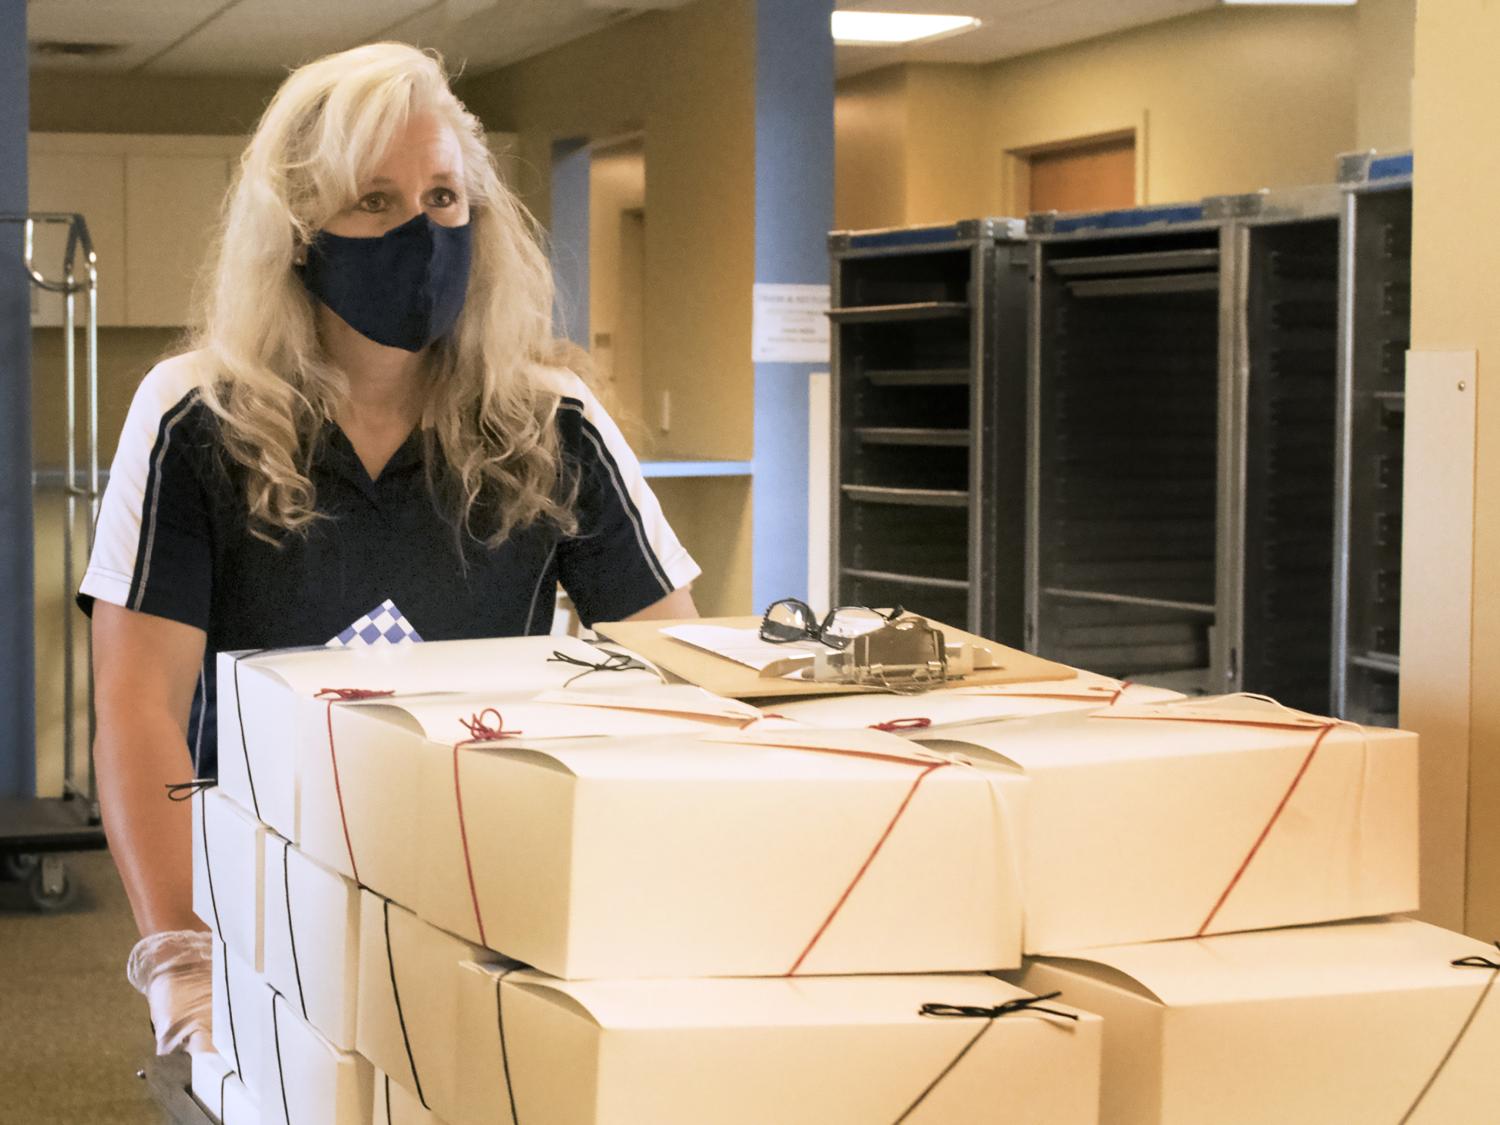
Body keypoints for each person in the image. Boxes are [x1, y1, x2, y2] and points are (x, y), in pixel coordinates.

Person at [80, 42, 699, 1056]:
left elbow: (677, 672)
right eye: (373, 201)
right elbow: (138, 704)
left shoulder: (552, 423)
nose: (420, 230)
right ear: (296, 234)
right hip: (257, 884)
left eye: (444, 198)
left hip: (476, 878)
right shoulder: (195, 417)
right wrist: (181, 953)